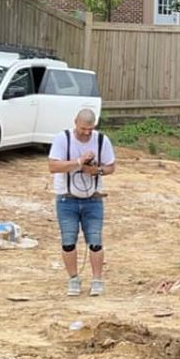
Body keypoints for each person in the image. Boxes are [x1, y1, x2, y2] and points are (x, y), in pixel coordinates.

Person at [48, 109, 116, 296]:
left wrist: (98, 171)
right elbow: (53, 166)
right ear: (75, 123)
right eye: (83, 129)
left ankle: (97, 280)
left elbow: (111, 167)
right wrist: (78, 162)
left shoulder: (102, 140)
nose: (86, 133)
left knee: (95, 241)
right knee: (68, 241)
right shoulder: (63, 139)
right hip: (66, 198)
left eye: (90, 129)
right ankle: (73, 279)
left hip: (93, 198)